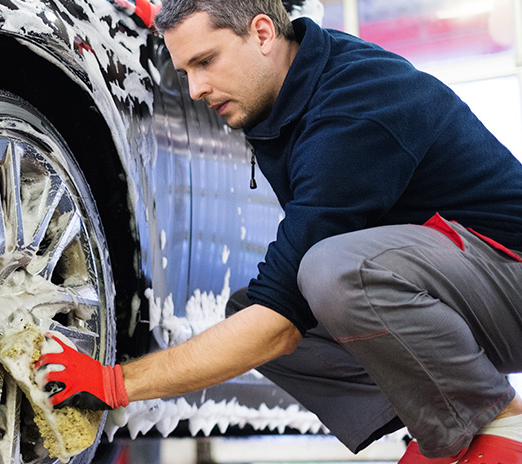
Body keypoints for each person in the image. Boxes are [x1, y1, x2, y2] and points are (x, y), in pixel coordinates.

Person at [35, 0, 522, 461]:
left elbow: (279, 324)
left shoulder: (353, 107)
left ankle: (498, 426)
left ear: (263, 33)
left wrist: (114, 383)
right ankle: (446, 431)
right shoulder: (285, 87)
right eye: (185, 72)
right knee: (249, 311)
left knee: (332, 274)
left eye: (206, 61)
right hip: (465, 291)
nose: (195, 90)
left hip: (510, 277)